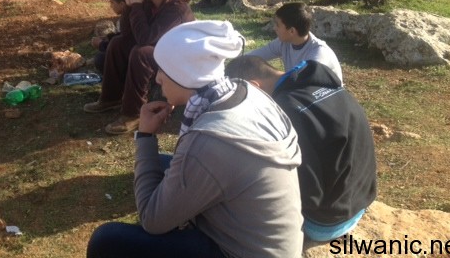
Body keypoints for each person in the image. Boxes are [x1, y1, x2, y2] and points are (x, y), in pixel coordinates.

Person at [86, 20, 304, 258]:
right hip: (274, 243)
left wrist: (145, 136)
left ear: (185, 75)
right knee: (161, 163)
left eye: (163, 70)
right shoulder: (245, 90)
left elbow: (151, 219)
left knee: (106, 241)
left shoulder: (209, 140)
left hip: (239, 252)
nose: (158, 79)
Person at [225, 56, 377, 246]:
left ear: (254, 86)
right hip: (360, 200)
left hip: (324, 222)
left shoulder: (285, 112)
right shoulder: (323, 83)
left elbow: (308, 197)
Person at [83, 0, 195, 134]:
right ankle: (111, 98)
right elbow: (128, 34)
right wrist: (129, 7)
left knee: (141, 52)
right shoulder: (149, 1)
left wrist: (136, 6)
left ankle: (133, 114)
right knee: (117, 43)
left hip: (178, 58)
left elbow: (145, 39)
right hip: (160, 48)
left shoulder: (177, 9)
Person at [247, 2, 343, 84]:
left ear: (292, 31)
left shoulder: (318, 54)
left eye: (277, 25)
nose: (274, 28)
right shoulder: (283, 43)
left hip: (323, 97)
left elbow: (299, 82)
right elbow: (253, 56)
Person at [91, 0, 131, 74]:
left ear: (122, 4)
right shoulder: (129, 15)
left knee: (101, 59)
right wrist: (108, 38)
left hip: (130, 58)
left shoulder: (128, 19)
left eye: (112, 2)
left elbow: (123, 45)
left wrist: (101, 44)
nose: (111, 6)